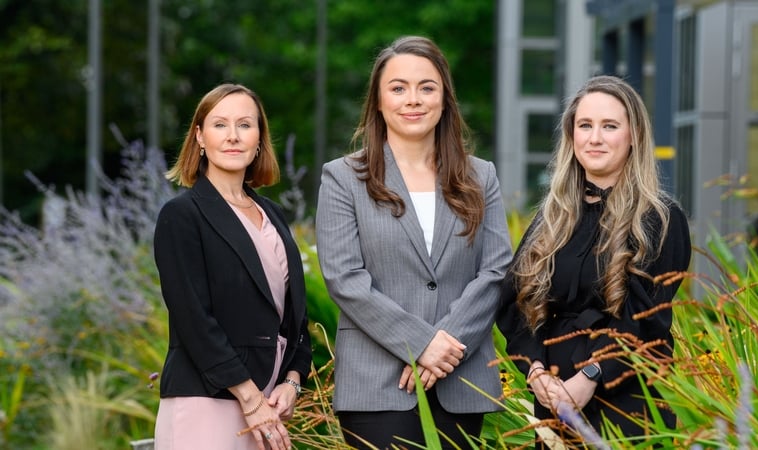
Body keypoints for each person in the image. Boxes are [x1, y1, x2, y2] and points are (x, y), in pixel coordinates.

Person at [315, 36, 512, 449]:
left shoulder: (481, 177)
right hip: (377, 386)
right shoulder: (343, 178)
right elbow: (345, 279)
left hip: (460, 382)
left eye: (427, 87)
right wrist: (420, 344)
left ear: (444, 99)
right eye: (398, 87)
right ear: (379, 100)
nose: (413, 99)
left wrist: (445, 347)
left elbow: (496, 272)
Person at [497, 75, 691, 442]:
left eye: (610, 126)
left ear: (634, 136)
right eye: (585, 125)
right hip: (553, 395)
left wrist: (591, 375)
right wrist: (534, 371)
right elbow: (514, 301)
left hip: (625, 396)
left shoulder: (660, 218)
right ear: (571, 136)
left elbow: (646, 317)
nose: (595, 138)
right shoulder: (552, 217)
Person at [153, 83, 312, 450]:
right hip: (207, 400)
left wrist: (292, 380)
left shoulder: (273, 215)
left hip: (269, 403)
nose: (233, 136)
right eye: (220, 124)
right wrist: (250, 398)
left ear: (259, 138)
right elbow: (193, 319)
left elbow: (295, 315)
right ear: (200, 137)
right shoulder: (181, 215)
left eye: (245, 124)